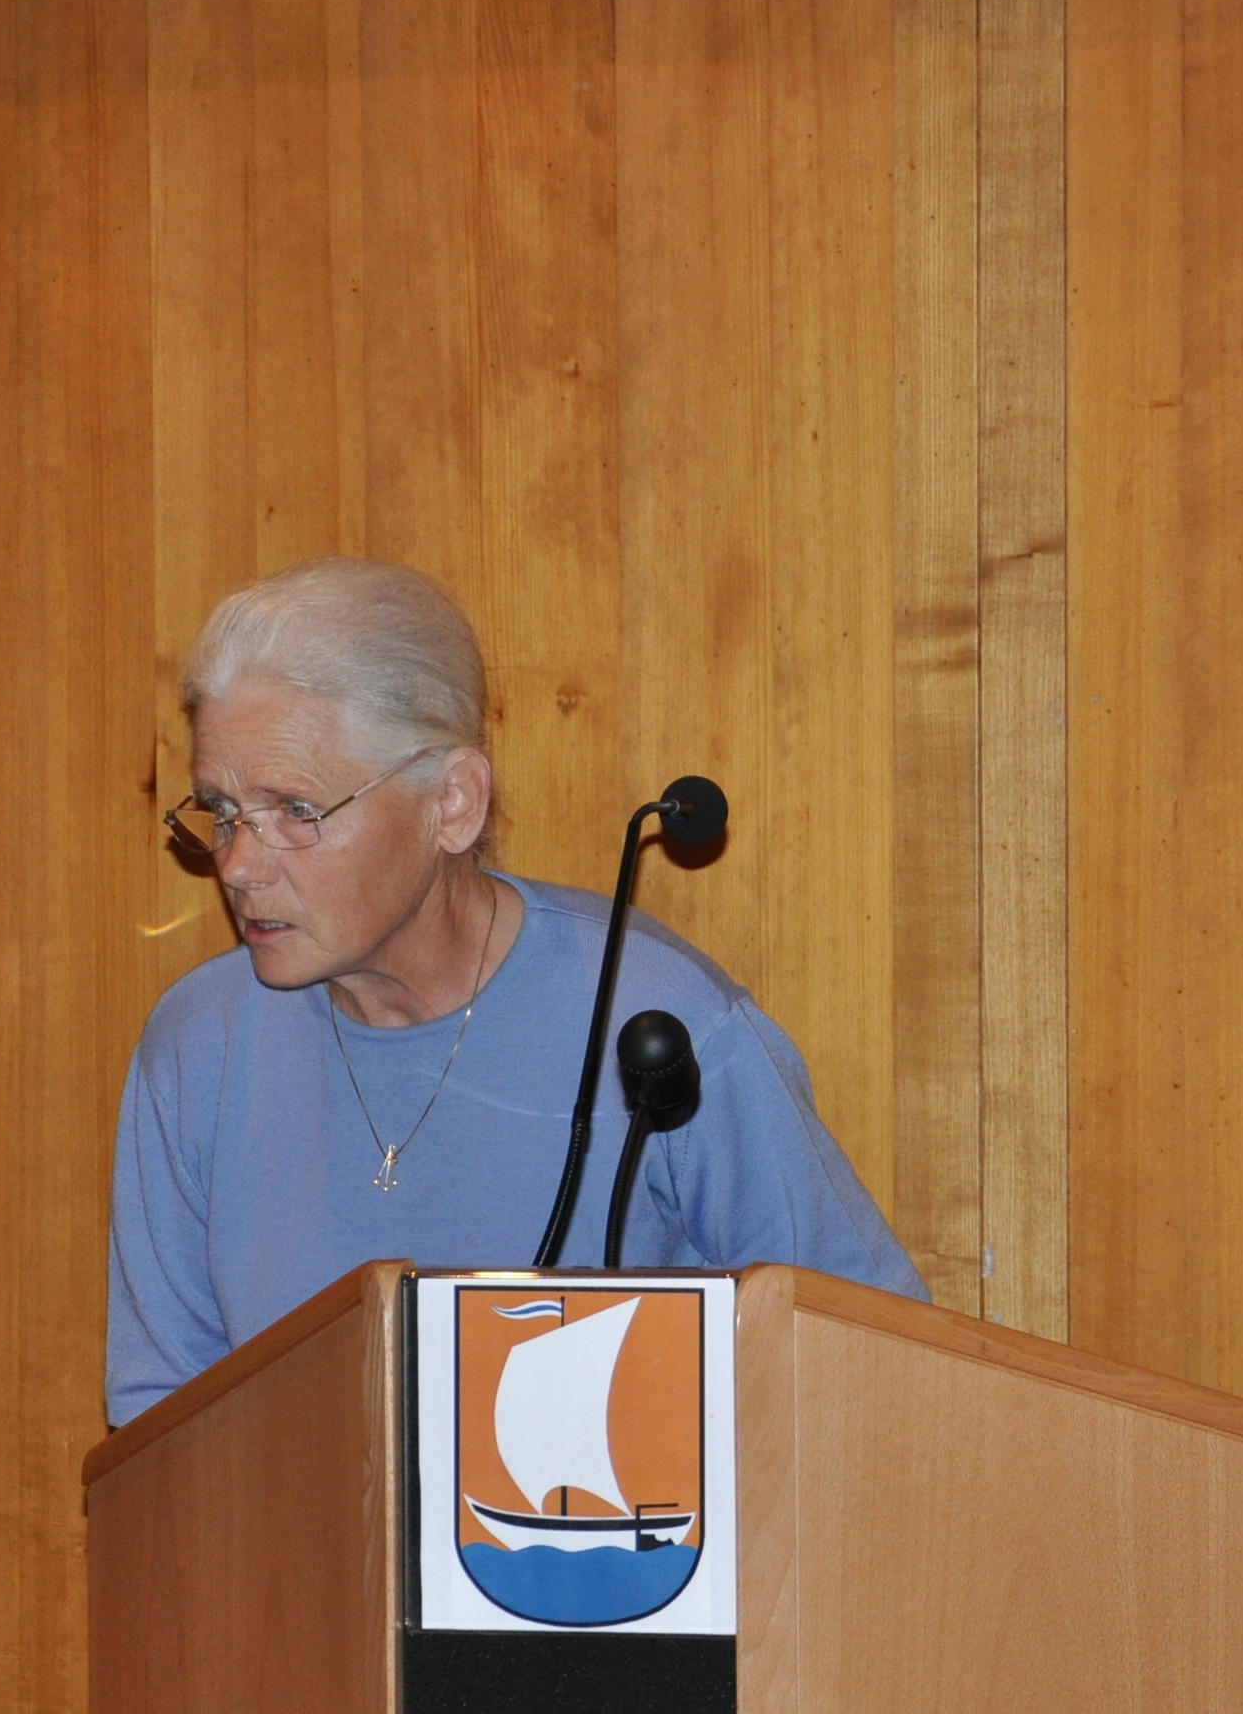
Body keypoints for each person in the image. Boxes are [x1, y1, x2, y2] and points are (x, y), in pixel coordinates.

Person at [106, 558, 925, 1424]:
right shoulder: (199, 1047)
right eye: (223, 812)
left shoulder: (655, 1021)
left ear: (453, 803)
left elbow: (867, 1358)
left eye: (295, 811)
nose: (238, 865)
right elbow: (162, 1427)